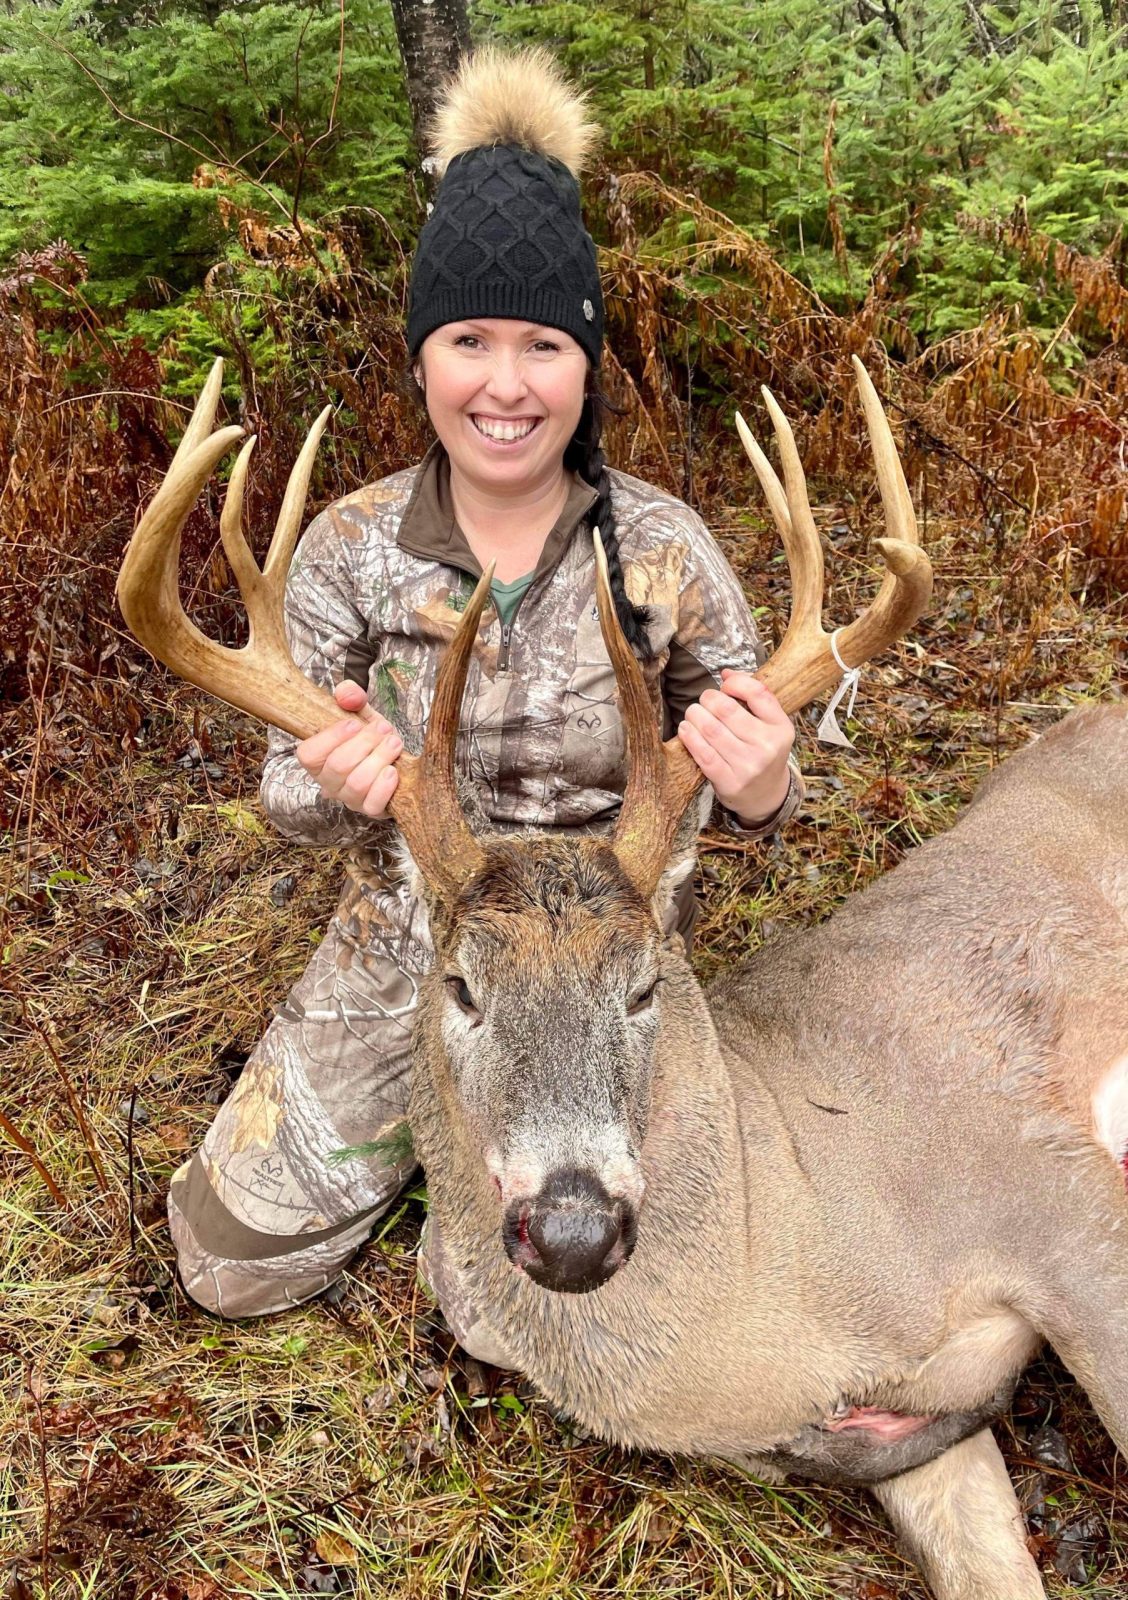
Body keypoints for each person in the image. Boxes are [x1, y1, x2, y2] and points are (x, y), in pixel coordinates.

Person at [167, 47, 804, 1323]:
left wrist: (766, 777)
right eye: (468, 340)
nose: (505, 385)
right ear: (421, 359)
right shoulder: (346, 546)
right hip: (411, 940)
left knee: (534, 1295)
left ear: (586, 368)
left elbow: (763, 771)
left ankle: (481, 1180)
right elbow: (281, 795)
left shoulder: (664, 548)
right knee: (231, 1264)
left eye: (542, 345)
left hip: (609, 966)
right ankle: (418, 1136)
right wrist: (328, 778)